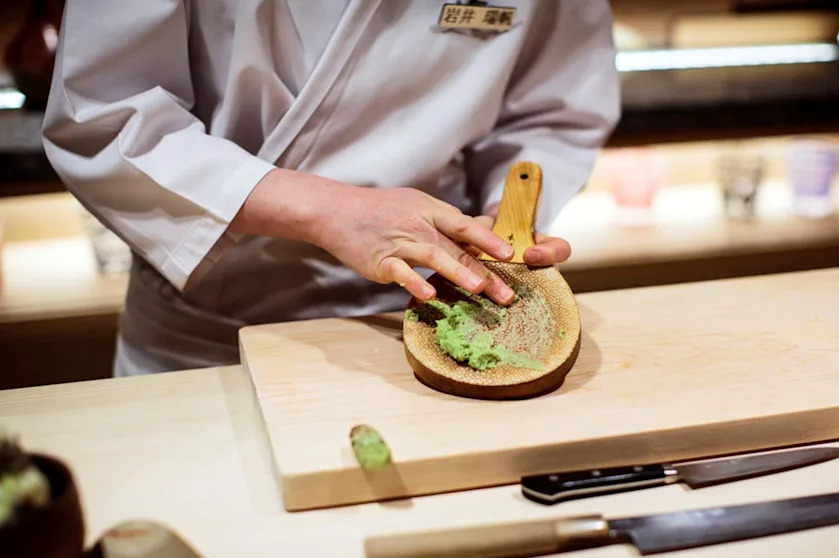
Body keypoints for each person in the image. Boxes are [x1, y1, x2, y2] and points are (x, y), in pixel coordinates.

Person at [41, 1, 621, 376]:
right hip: (208, 334)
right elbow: (106, 114)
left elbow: (550, 110)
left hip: (430, 311)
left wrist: (501, 220)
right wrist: (333, 212)